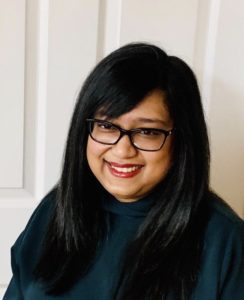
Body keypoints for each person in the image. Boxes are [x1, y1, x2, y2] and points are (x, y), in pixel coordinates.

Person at [3, 42, 244, 300]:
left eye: (147, 132)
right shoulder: (55, 210)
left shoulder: (225, 240)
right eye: (107, 126)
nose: (122, 150)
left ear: (182, 141)